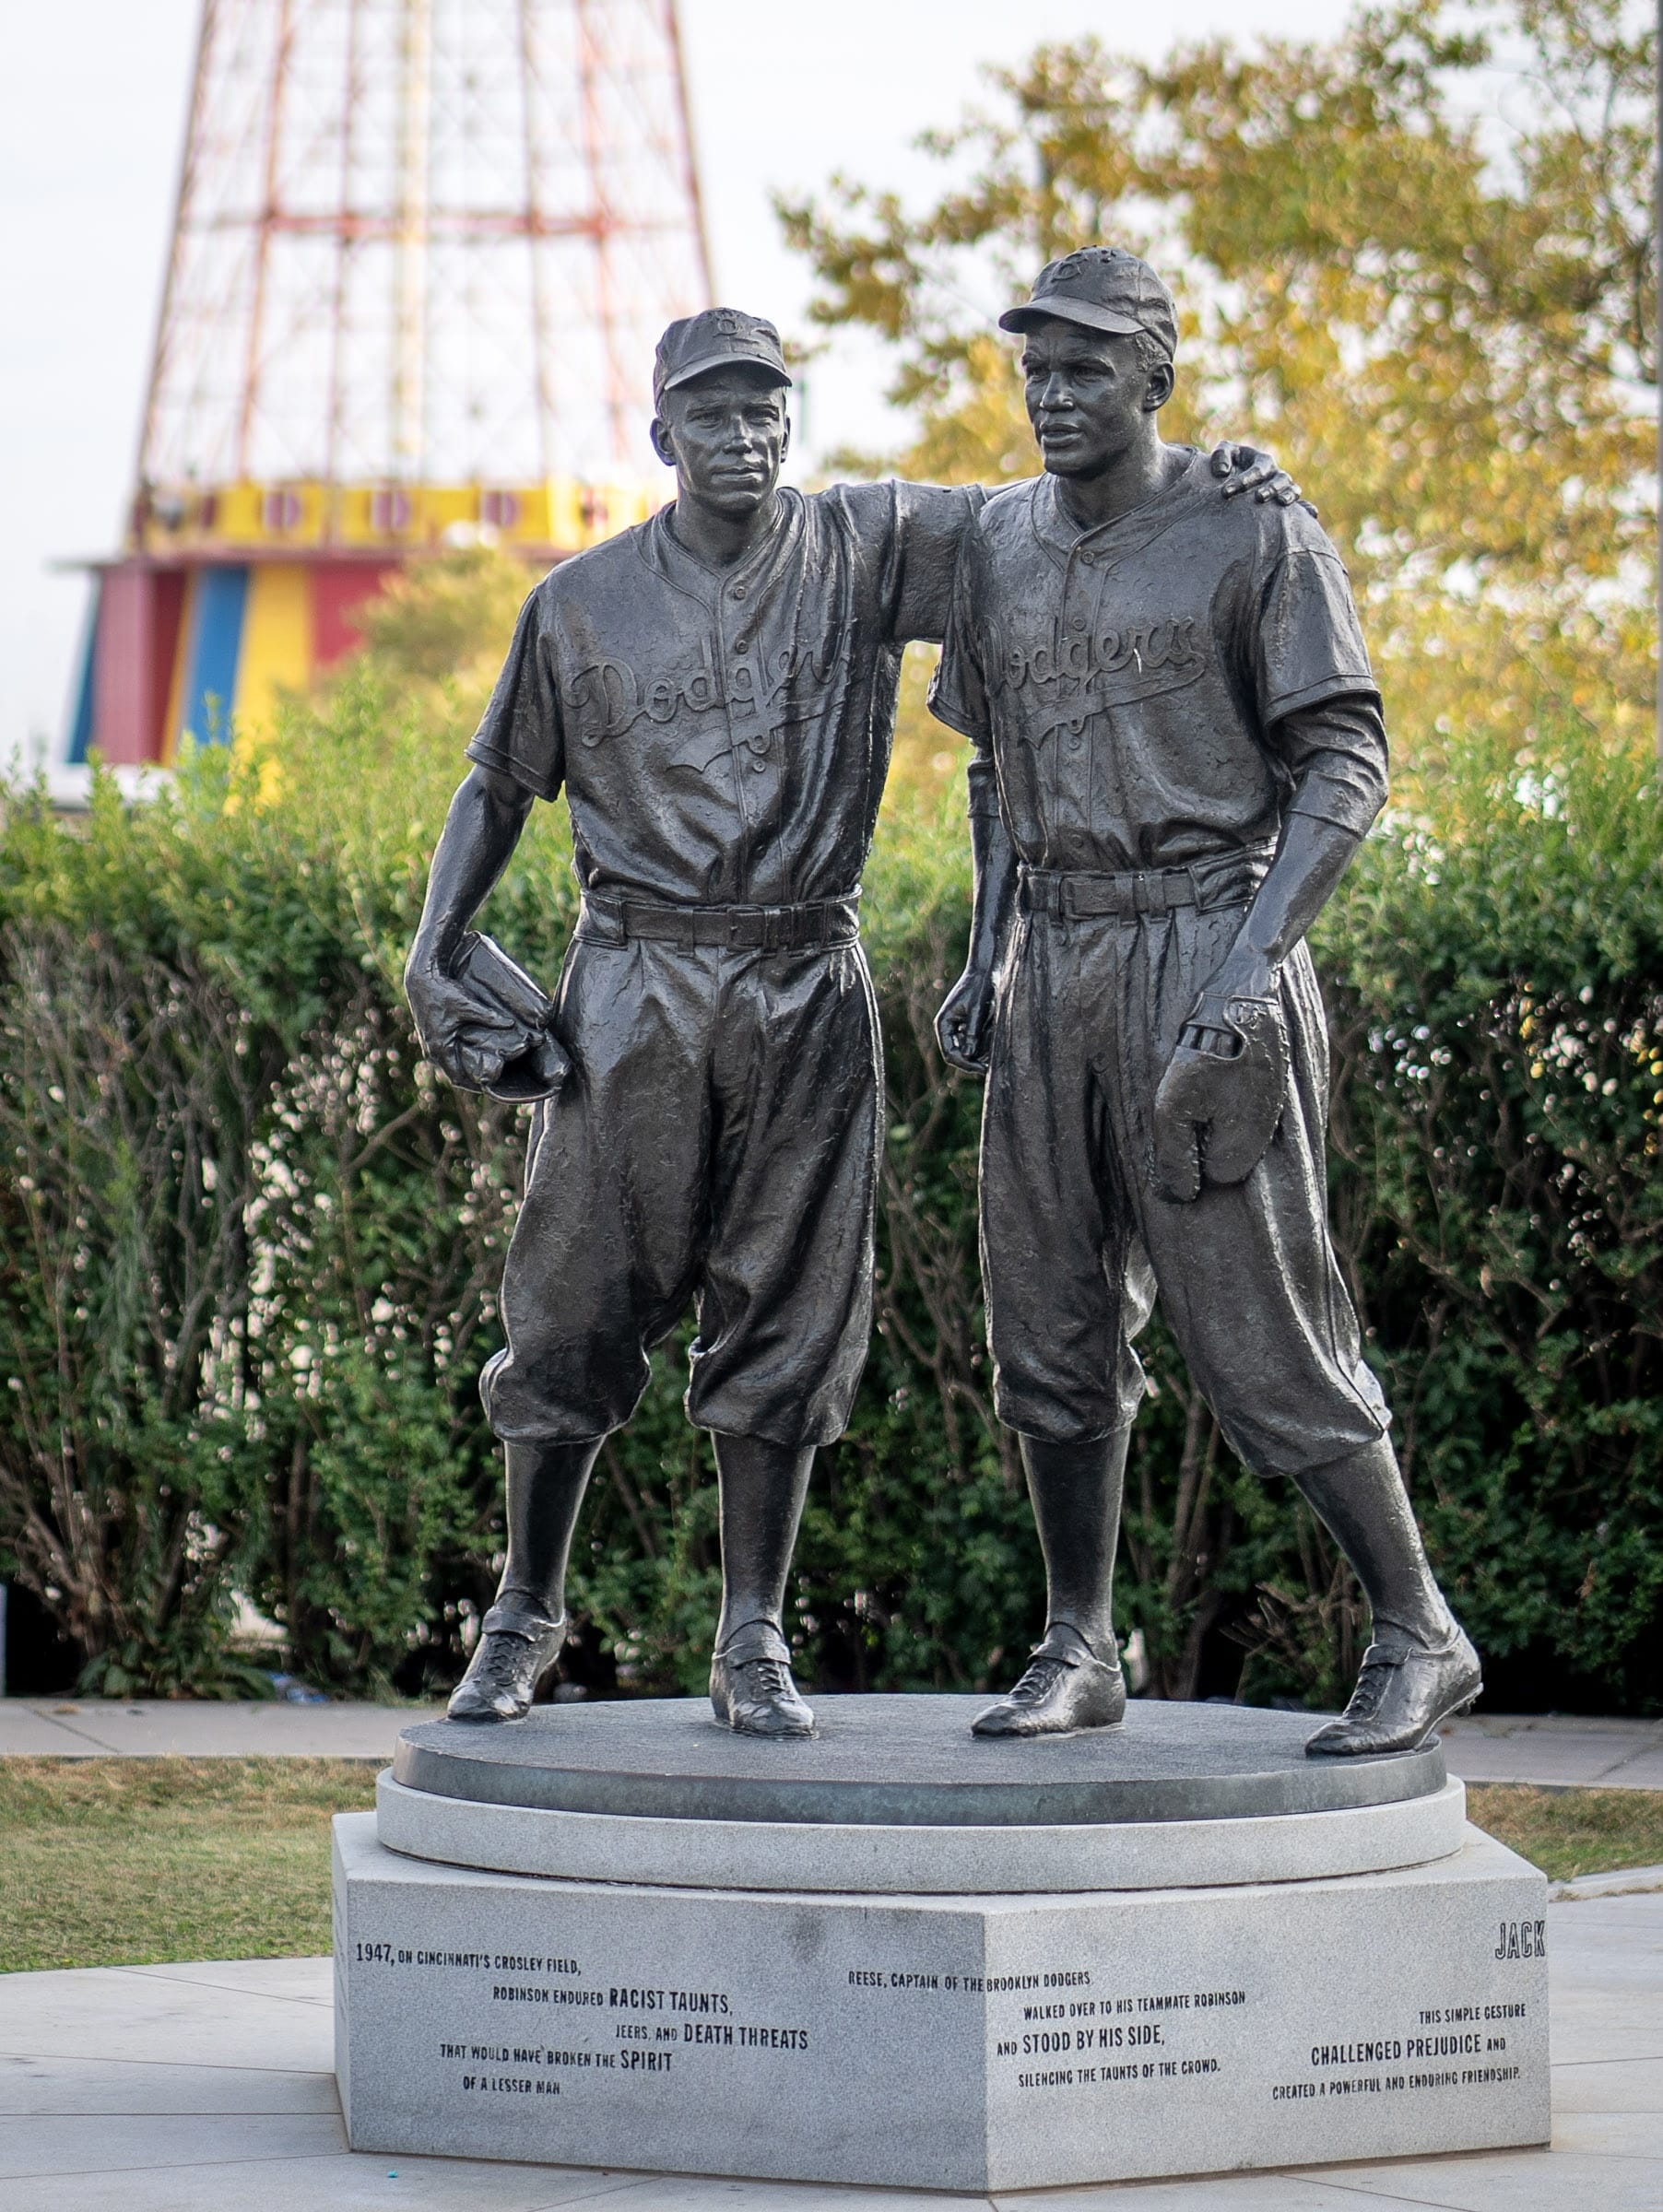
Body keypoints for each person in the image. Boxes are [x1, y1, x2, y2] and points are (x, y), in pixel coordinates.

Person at [406, 304, 1299, 1735]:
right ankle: (524, 1613)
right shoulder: (578, 603)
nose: (742, 434)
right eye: (712, 413)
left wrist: (1216, 475)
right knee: (569, 1309)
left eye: (765, 408)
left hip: (804, 979)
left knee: (788, 1317)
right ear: (661, 435)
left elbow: (1061, 505)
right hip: (634, 979)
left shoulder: (868, 541)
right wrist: (436, 942)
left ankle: (751, 1634)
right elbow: (498, 784)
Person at [930, 247, 1480, 1757]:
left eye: (1087, 368)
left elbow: (1346, 765)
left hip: (1206, 945)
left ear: (1156, 379)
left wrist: (1243, 983)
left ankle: (1419, 1630)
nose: (1052, 395)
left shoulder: (1254, 527)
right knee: (1047, 1328)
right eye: (1036, 369)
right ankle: (1078, 1643)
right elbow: (995, 770)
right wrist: (985, 953)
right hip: (1055, 963)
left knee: (1262, 1325)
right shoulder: (995, 546)